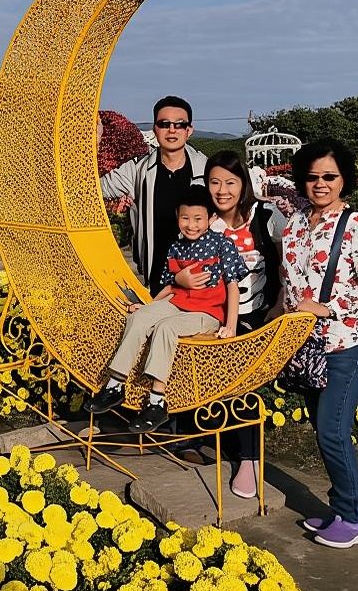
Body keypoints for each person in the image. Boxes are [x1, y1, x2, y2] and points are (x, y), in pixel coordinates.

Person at [275, 139, 358, 549]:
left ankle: (354, 517)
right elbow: (289, 288)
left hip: (349, 342)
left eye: (329, 176)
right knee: (324, 429)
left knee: (332, 431)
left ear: (344, 179)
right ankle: (340, 510)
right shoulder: (293, 227)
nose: (320, 184)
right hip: (307, 348)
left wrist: (326, 306)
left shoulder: (356, 224)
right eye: (311, 177)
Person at [86, 185, 248, 433]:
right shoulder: (176, 247)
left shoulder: (221, 244)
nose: (191, 225)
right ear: (177, 217)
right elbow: (171, 286)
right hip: (176, 302)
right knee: (140, 317)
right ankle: (115, 385)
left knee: (166, 327)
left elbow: (233, 286)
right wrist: (150, 306)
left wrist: (231, 326)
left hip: (207, 312)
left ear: (211, 218)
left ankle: (157, 401)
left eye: (198, 219)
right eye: (185, 218)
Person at [175, 150, 286, 497]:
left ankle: (250, 460)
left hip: (258, 312)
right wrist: (178, 283)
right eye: (214, 182)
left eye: (230, 182)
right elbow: (179, 262)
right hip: (214, 312)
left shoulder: (266, 216)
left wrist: (280, 304)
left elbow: (290, 263)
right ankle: (195, 436)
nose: (222, 190)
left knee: (243, 380)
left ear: (244, 184)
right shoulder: (205, 222)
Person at [100, 96, 209, 291]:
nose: (172, 130)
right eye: (164, 124)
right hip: (155, 275)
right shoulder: (138, 170)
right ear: (155, 129)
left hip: (199, 279)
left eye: (179, 124)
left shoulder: (207, 170)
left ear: (189, 130)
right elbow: (97, 187)